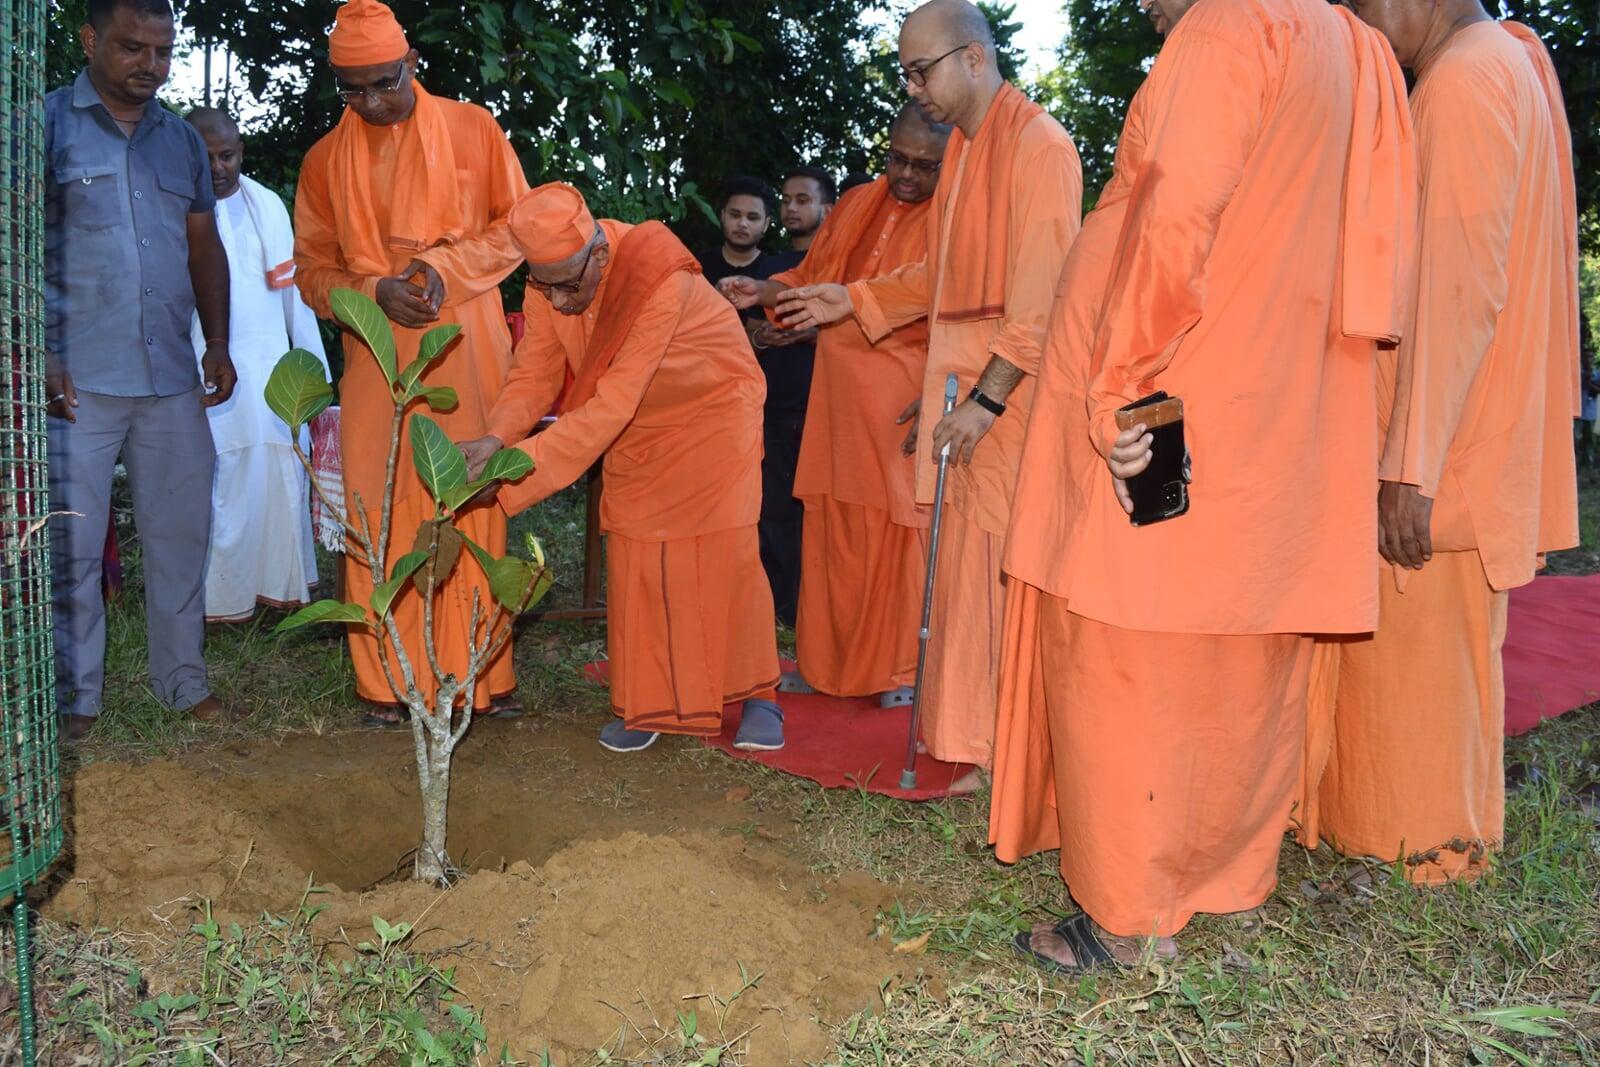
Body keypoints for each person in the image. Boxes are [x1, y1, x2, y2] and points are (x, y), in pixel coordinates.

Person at [989, 0, 1416, 969]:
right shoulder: (1353, 46)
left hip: (1172, 393)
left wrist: (1120, 387)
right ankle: (1224, 881)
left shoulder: (1229, 25)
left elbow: (1175, 207)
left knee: (1127, 639)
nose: (1139, 2)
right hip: (1284, 407)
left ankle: (1129, 918)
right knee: (1243, 647)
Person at [1297, 1, 1580, 885]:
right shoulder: (1503, 62)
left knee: (1414, 672)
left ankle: (1418, 853)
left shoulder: (1462, 81)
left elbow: (1458, 294)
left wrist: (1408, 466)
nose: (1361, 21)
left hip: (1444, 450)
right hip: (1466, 433)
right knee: (1434, 671)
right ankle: (1412, 838)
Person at [775, 0, 1082, 791]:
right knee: (963, 579)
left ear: (974, 59)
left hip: (1005, 404)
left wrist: (987, 400)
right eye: (906, 74)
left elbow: (1042, 300)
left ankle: (1011, 753)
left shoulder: (1039, 148)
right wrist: (854, 301)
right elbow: (935, 279)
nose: (915, 90)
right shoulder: (969, 154)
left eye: (922, 71)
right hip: (966, 391)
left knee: (1000, 577)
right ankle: (976, 744)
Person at [440, 183, 784, 753]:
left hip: (713, 411)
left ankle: (758, 693)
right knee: (636, 551)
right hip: (636, 424)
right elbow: (535, 374)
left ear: (599, 255)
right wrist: (495, 440)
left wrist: (510, 471)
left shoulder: (657, 275)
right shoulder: (551, 283)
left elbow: (611, 405)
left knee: (726, 555)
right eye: (542, 285)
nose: (558, 301)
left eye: (568, 284)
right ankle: (649, 701)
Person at [292, 0, 528, 725]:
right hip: (375, 345)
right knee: (379, 498)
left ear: (412, 63)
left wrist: (441, 270)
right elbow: (310, 270)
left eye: (384, 83)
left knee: (466, 494)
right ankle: (385, 682)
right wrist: (373, 290)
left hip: (464, 337)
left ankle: (479, 673)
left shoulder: (474, 128)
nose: (371, 101)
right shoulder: (325, 159)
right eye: (353, 90)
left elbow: (519, 228)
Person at [45, 0, 243, 740]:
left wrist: (216, 342)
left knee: (180, 535)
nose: (150, 68)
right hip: (76, 380)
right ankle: (75, 695)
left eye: (162, 53)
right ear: (92, 40)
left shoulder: (181, 143)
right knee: (69, 541)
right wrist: (38, 349)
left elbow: (203, 247)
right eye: (133, 49)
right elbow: (15, 244)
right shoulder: (42, 126)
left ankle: (182, 680)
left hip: (169, 377)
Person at [719, 103, 951, 706]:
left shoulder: (962, 212)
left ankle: (898, 671)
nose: (905, 176)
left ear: (952, 161)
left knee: (897, 537)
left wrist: (941, 388)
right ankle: (826, 666)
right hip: (838, 397)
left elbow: (950, 303)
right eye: (896, 158)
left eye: (924, 166)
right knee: (828, 529)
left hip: (903, 396)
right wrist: (764, 290)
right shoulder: (855, 203)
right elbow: (813, 280)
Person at [185, 107, 327, 623]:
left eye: (228, 155)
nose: (219, 167)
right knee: (219, 485)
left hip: (270, 368)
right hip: (206, 366)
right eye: (206, 157)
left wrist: (313, 379)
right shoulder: (175, 207)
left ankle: (279, 595)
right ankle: (218, 602)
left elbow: (296, 300)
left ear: (242, 153)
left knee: (281, 474)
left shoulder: (266, 204)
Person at [780, 166, 836, 253]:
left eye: (802, 201)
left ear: (827, 211)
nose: (790, 207)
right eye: (786, 201)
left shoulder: (840, 263)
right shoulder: (769, 265)